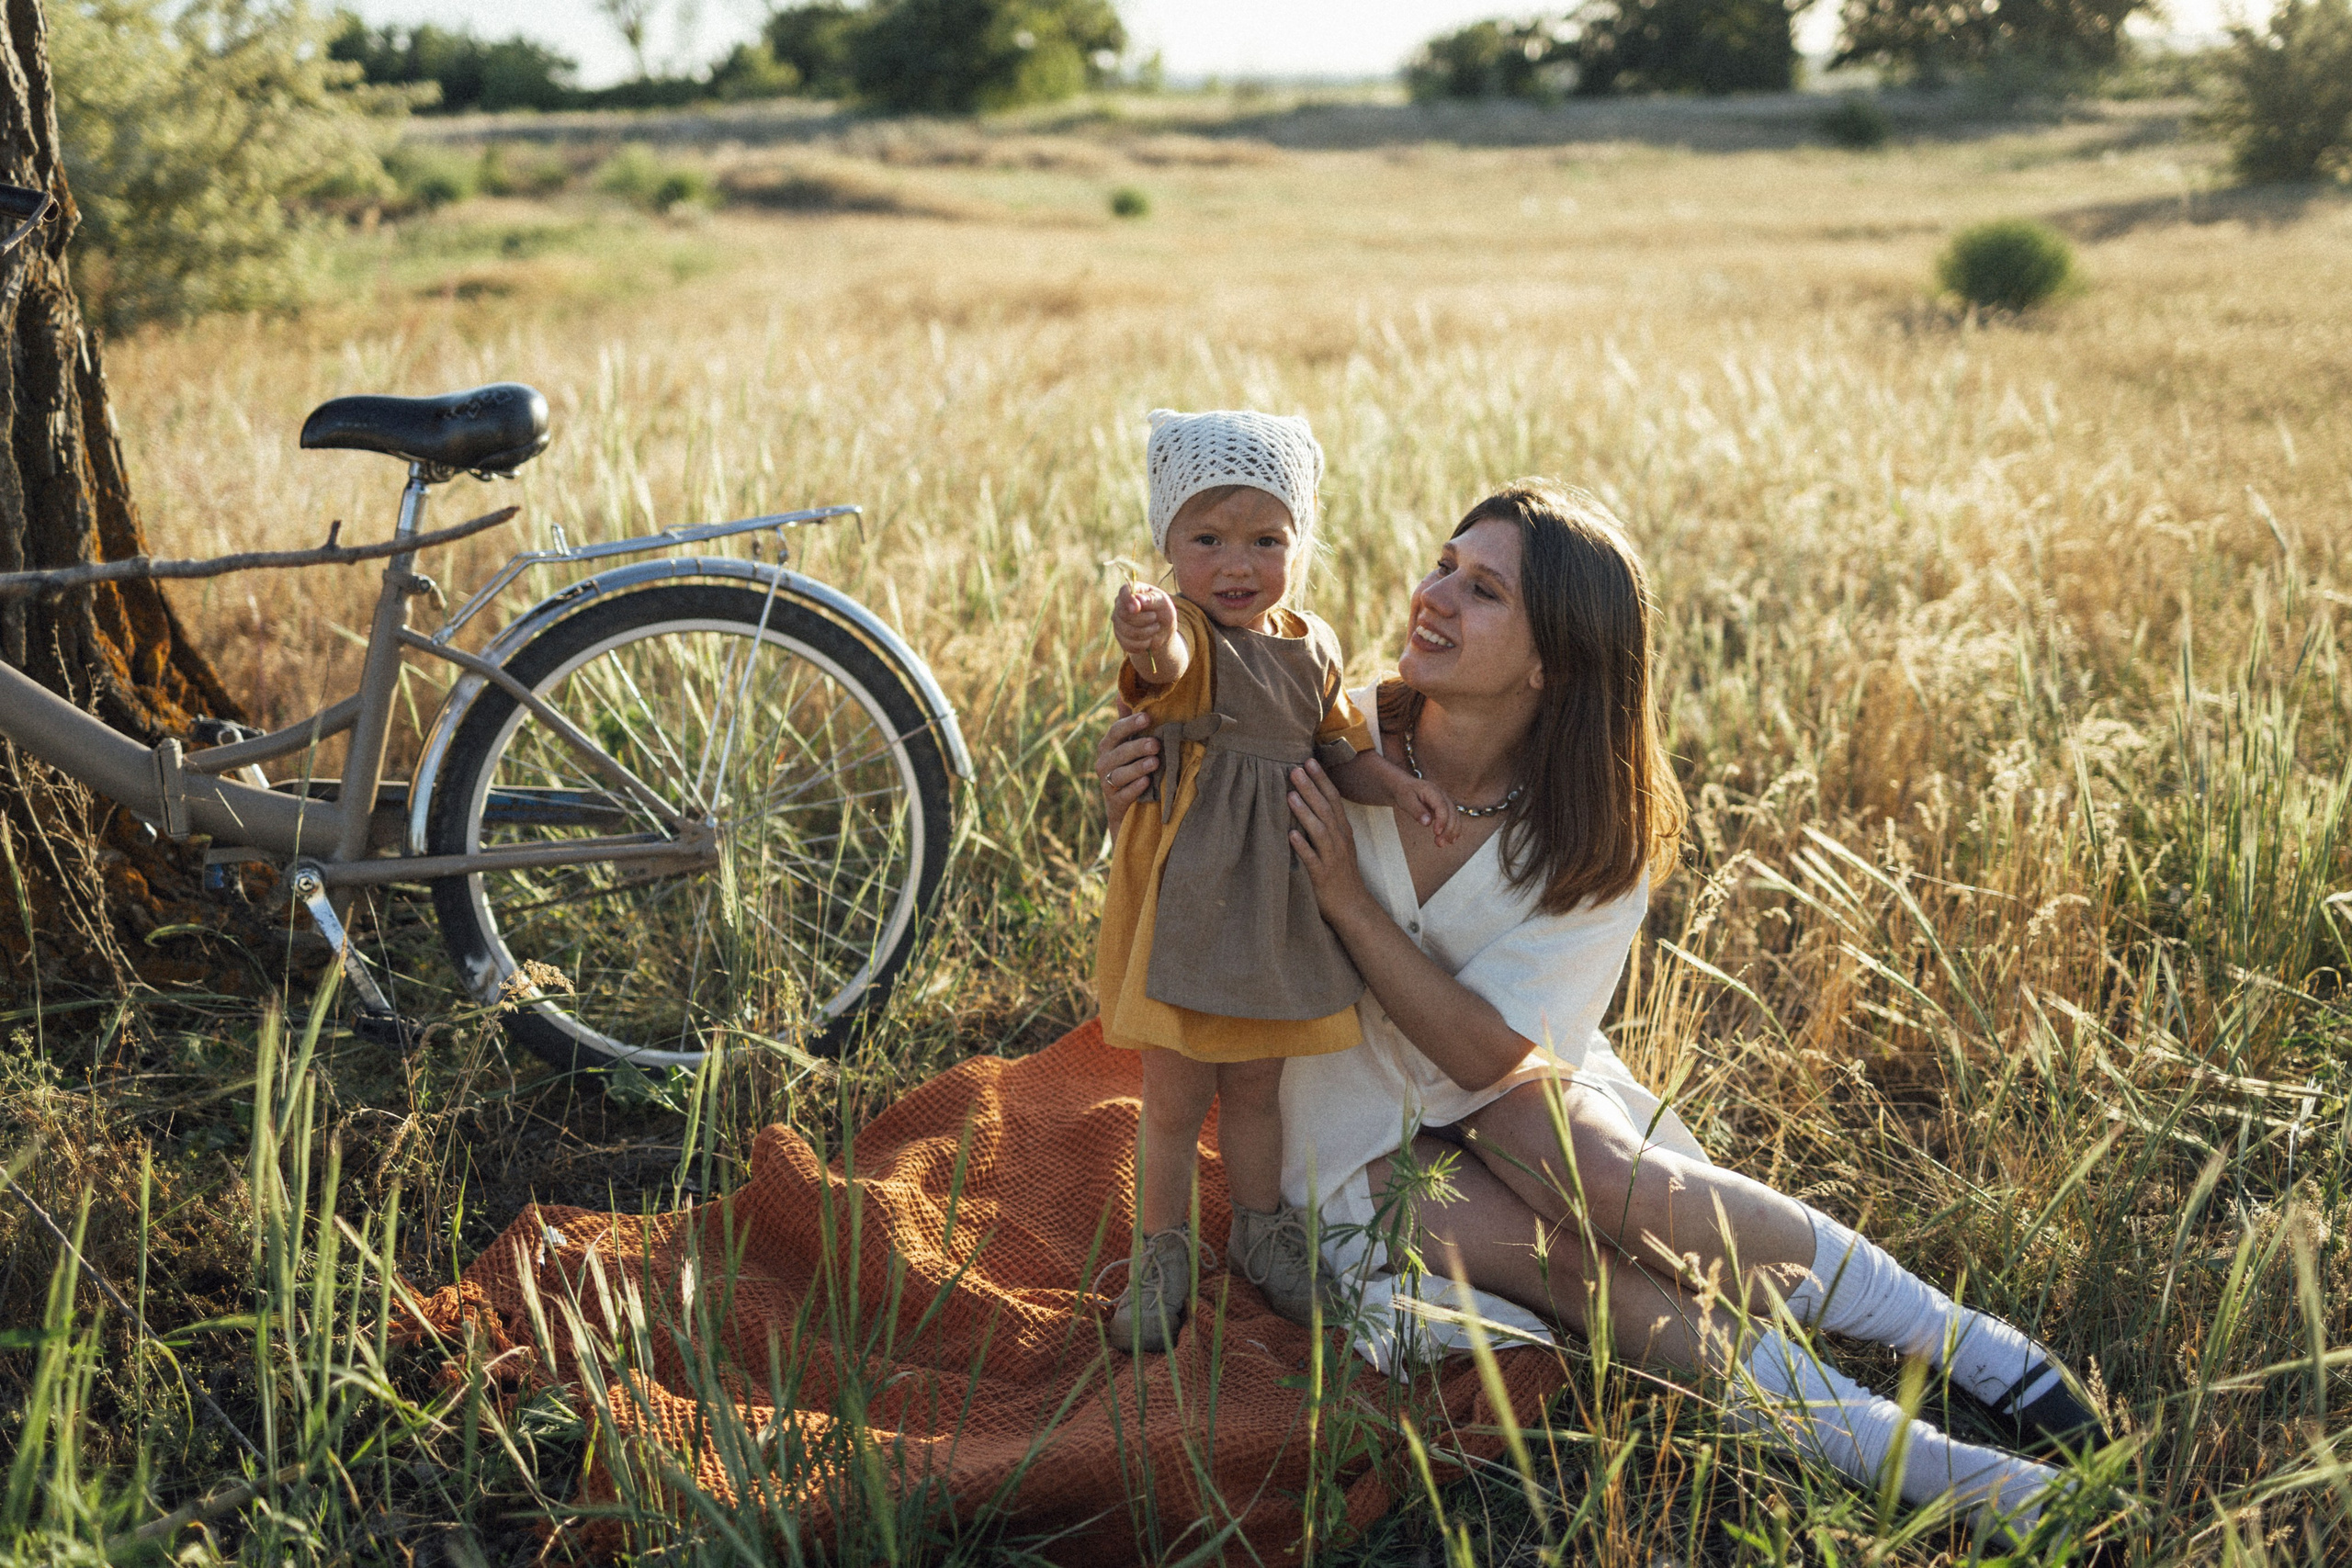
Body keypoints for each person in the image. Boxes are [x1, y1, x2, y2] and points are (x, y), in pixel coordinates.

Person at [1095, 479, 2112, 1541]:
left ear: (1553, 661)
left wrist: (1348, 903)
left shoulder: (1593, 830)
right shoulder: (1318, 731)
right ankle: (1913, 1461)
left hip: (1500, 1079)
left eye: (1481, 590)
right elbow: (1183, 837)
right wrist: (1130, 793)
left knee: (1619, 1185)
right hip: (1337, 1115)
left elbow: (1495, 1056)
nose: (1431, 598)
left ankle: (1966, 1343)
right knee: (1571, 1268)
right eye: (1444, 565)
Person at [1095, 409, 1455, 1354]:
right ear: (1167, 546)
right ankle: (1159, 1251)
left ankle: (1261, 1233)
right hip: (1191, 904)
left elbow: (1337, 751)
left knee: (1256, 1090)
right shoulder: (1189, 642)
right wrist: (1143, 634)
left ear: (1302, 541)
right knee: (1174, 1099)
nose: (1236, 564)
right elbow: (1159, 663)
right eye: (1205, 539)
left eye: (1266, 539)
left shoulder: (1313, 642)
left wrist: (1399, 789)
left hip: (1273, 910)